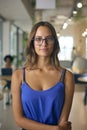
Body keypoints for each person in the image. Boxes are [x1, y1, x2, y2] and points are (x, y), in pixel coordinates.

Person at [11, 21, 75, 130]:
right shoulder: (18, 76)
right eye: (38, 39)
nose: (44, 44)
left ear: (54, 42)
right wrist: (54, 129)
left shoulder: (67, 77)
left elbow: (63, 121)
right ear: (32, 42)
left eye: (49, 39)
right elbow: (19, 120)